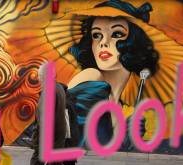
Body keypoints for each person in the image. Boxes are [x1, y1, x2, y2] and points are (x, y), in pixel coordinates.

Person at [65, 0, 159, 147]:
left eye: (116, 34)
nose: (103, 42)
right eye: (96, 35)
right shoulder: (90, 77)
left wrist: (127, 138)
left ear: (134, 41)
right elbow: (80, 142)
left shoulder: (121, 108)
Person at [12, 64, 68, 165]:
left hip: (48, 135)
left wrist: (38, 140)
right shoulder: (59, 87)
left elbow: (44, 119)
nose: (38, 78)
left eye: (40, 76)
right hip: (58, 133)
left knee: (36, 162)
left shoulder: (49, 91)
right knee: (55, 163)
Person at [36, 86, 83, 165]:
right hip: (70, 136)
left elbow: (65, 124)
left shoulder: (64, 104)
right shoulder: (68, 101)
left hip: (67, 137)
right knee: (64, 160)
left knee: (63, 160)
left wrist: (62, 138)